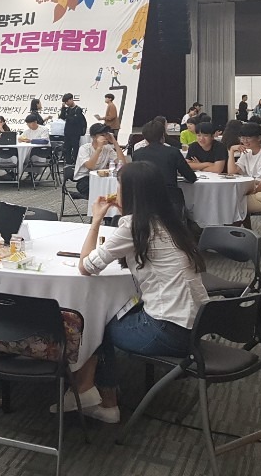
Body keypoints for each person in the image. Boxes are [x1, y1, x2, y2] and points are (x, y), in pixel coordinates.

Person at [63, 161, 207, 424]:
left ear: (130, 192)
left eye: (119, 186)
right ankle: (87, 389)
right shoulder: (170, 222)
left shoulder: (134, 227)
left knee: (98, 323)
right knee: (117, 309)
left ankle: (105, 402)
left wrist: (96, 220)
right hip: (197, 323)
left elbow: (86, 266)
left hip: (169, 330)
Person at [132, 119, 197, 214]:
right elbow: (191, 177)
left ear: (145, 137)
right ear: (163, 136)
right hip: (170, 200)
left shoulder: (137, 154)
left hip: (144, 200)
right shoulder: (173, 152)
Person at [73, 123, 128, 196]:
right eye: (102, 135)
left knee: (119, 187)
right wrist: (99, 148)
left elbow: (122, 163)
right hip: (85, 179)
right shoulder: (84, 149)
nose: (105, 137)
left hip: (101, 178)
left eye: (107, 134)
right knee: (102, 191)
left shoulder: (107, 148)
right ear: (93, 137)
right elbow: (90, 166)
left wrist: (115, 143)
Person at [58, 93, 88, 166]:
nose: (66, 103)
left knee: (75, 148)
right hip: (67, 132)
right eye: (65, 102)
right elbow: (62, 117)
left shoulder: (78, 109)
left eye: (67, 101)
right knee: (67, 148)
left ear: (71, 99)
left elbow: (74, 120)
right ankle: (68, 162)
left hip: (75, 132)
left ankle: (75, 163)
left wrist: (67, 116)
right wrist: (63, 109)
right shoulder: (67, 109)